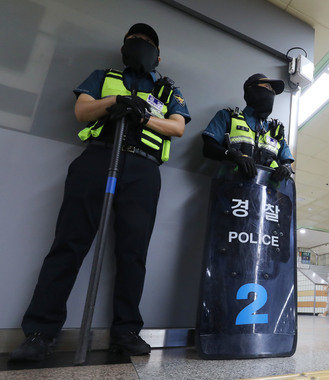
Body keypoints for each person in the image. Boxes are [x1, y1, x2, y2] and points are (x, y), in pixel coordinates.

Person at [10, 23, 190, 361]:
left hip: (143, 169)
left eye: (147, 42)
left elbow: (177, 126)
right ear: (123, 48)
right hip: (98, 159)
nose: (140, 45)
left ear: (158, 55)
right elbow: (82, 110)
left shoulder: (167, 91)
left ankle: (126, 333)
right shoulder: (102, 75)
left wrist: (142, 116)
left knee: (132, 252)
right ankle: (39, 333)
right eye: (133, 40)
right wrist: (115, 102)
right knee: (68, 243)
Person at [201, 73, 294, 179]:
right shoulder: (228, 117)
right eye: (267, 87)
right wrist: (234, 156)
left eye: (273, 91)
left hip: (265, 193)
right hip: (230, 189)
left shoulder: (276, 131)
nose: (271, 92)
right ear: (252, 90)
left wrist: (286, 168)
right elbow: (208, 148)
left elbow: (287, 163)